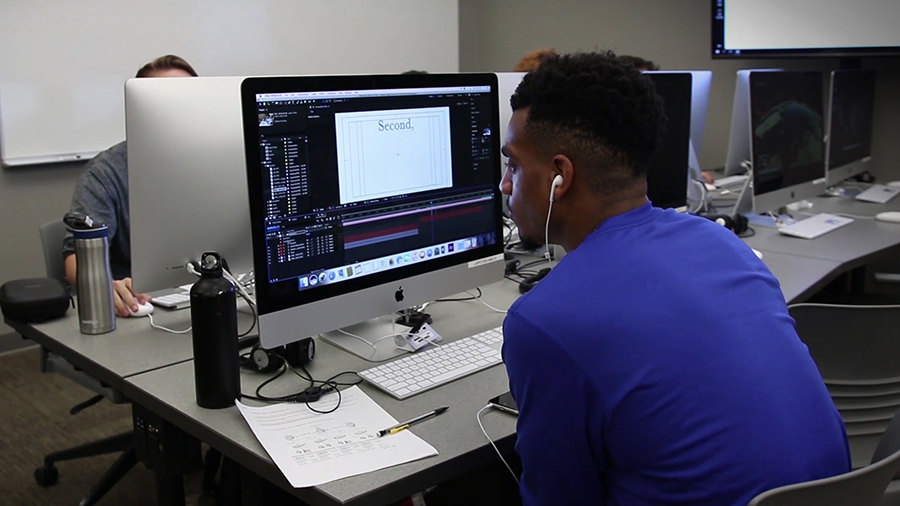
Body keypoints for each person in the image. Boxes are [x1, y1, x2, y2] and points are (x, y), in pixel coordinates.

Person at [499, 51, 850, 505]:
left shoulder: (544, 319)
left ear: (559, 177)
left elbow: (559, 498)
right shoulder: (725, 246)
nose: (506, 186)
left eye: (514, 165)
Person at [63, 55, 198, 317]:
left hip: (216, 295)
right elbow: (74, 260)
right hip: (145, 307)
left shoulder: (222, 160)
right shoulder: (105, 173)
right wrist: (107, 285)